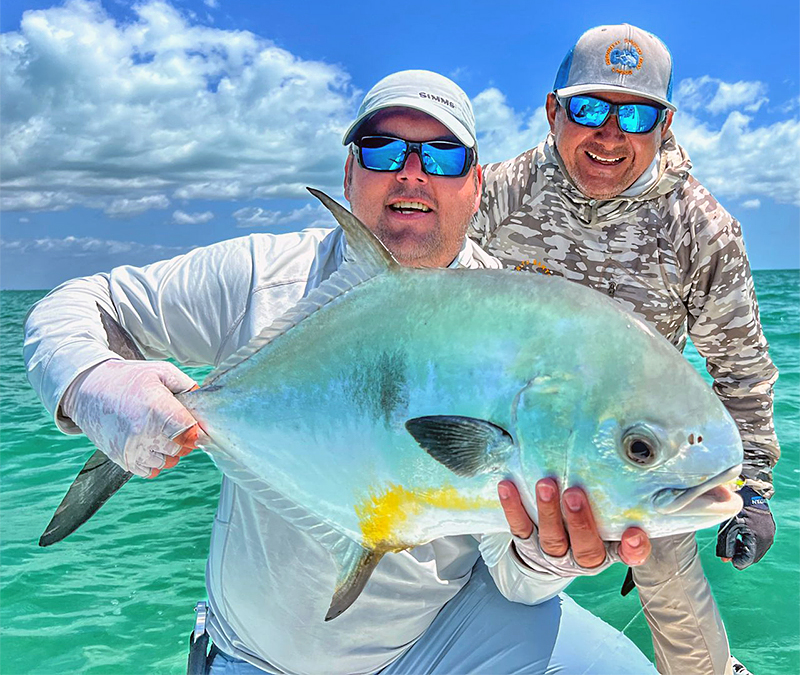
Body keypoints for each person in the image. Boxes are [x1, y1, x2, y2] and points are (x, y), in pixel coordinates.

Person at [24, 70, 659, 675]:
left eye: (442, 156)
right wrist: (92, 383)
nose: (412, 174)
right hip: (261, 654)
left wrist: (549, 555)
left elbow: (516, 586)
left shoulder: (515, 326)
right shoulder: (266, 275)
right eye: (384, 151)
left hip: (438, 637)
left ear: (476, 184)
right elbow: (78, 304)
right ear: (350, 170)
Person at [472, 24, 779, 675]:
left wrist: (751, 490)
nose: (610, 135)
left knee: (673, 586)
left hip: (638, 452)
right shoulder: (494, 195)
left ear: (664, 125)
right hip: (511, 435)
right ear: (554, 111)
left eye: (636, 114)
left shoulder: (702, 228)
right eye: (588, 108)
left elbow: (740, 368)